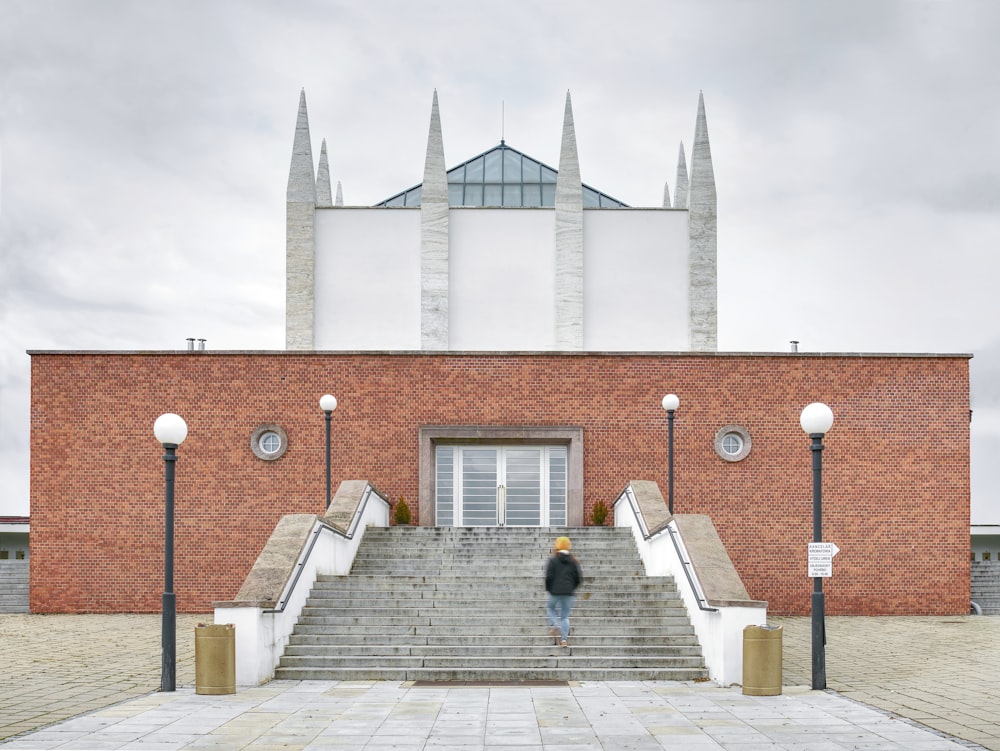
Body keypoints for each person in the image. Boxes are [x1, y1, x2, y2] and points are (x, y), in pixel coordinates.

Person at [545, 536, 582, 647]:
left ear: (557, 547)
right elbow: (578, 578)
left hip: (555, 591)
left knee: (550, 608)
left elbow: (549, 577)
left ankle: (554, 624)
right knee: (565, 616)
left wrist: (549, 589)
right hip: (569, 593)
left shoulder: (553, 560)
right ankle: (564, 640)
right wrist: (572, 588)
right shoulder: (574, 561)